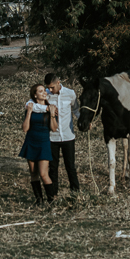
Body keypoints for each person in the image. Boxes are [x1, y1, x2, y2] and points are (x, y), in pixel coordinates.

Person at [44, 71, 80, 199]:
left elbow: (76, 109)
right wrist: (47, 109)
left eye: (52, 87)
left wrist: (83, 121)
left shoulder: (70, 93)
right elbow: (31, 103)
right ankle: (53, 194)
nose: (50, 90)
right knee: (53, 167)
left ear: (58, 83)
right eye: (48, 87)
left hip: (68, 136)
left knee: (70, 166)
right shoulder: (45, 95)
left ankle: (75, 193)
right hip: (52, 137)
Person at [19, 83, 58, 203]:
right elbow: (25, 128)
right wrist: (29, 113)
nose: (44, 93)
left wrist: (52, 115)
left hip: (43, 143)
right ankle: (39, 200)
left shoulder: (50, 108)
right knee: (33, 173)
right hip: (31, 142)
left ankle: (51, 200)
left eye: (44, 91)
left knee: (43, 174)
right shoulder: (30, 107)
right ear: (35, 95)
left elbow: (54, 128)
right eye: (40, 91)